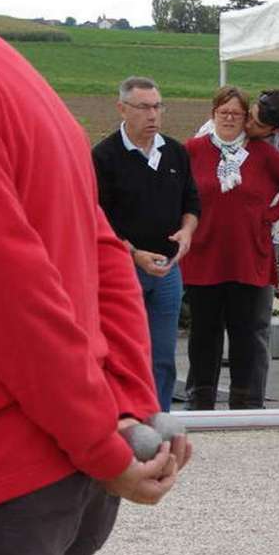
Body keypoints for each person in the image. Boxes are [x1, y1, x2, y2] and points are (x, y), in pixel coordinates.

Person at [0, 12, 190, 555]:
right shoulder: (10, 71)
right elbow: (104, 252)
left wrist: (99, 440)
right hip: (52, 476)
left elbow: (11, 294)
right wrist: (127, 407)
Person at [182, 86, 279, 409]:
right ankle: (201, 398)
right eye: (223, 112)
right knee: (203, 334)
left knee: (247, 333)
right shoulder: (193, 150)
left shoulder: (265, 154)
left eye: (236, 113)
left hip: (249, 256)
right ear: (212, 115)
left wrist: (276, 215)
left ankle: (246, 402)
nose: (230, 118)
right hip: (204, 256)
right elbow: (176, 190)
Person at [93, 76, 201, 412]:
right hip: (122, 271)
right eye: (144, 107)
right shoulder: (104, 157)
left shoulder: (176, 152)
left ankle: (159, 420)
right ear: (122, 108)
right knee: (123, 352)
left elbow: (192, 203)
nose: (153, 115)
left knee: (163, 355)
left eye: (157, 106)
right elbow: (97, 216)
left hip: (168, 272)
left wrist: (187, 231)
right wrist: (134, 254)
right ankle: (123, 419)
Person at [197, 89, 279, 244]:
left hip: (262, 232)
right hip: (214, 226)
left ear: (276, 129)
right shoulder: (217, 126)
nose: (249, 124)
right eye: (250, 115)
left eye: (258, 125)